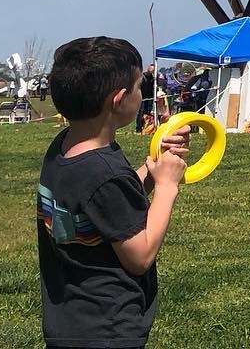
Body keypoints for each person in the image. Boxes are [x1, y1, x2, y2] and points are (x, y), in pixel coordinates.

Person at [39, 37, 191, 349]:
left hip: (70, 318)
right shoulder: (103, 173)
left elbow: (101, 206)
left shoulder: (65, 148)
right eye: (139, 86)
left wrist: (152, 169)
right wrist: (166, 186)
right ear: (120, 100)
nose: (141, 93)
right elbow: (140, 256)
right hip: (107, 327)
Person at [136, 66, 155, 132]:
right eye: (150, 69)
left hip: (150, 97)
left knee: (148, 113)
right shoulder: (142, 76)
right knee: (141, 112)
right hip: (142, 97)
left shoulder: (153, 78)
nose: (151, 70)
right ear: (148, 68)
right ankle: (138, 128)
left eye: (153, 69)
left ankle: (145, 127)